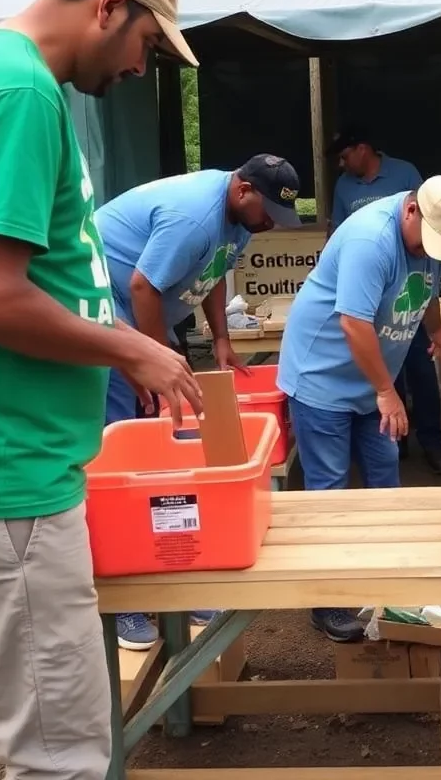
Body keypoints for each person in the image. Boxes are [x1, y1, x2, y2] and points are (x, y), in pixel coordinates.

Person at [0, 0, 204, 780]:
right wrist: (130, 348)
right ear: (108, 5)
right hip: (4, 489)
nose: (145, 69)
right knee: (62, 758)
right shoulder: (19, 94)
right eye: (148, 43)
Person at [94, 154, 302, 650]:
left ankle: (173, 578)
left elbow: (212, 275)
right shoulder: (193, 216)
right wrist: (151, 358)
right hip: (107, 316)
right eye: (268, 210)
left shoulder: (240, 219)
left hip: (142, 323)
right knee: (123, 453)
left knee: (162, 442)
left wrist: (221, 339)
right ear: (243, 190)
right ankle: (122, 601)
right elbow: (142, 286)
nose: (272, 223)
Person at [278, 176, 441, 642]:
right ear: (411, 210)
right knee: (330, 494)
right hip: (322, 376)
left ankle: (387, 584)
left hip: (372, 382)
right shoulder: (370, 240)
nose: (431, 253)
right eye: (427, 242)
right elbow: (353, 324)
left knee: (385, 479)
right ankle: (327, 601)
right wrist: (387, 391)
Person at [327, 127, 441, 474]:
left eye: (345, 155)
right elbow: (337, 234)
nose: (341, 164)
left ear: (363, 149)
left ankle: (432, 441)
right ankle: (392, 443)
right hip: (373, 298)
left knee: (421, 370)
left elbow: (437, 227)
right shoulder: (345, 188)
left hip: (410, 296)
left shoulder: (404, 173)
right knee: (385, 375)